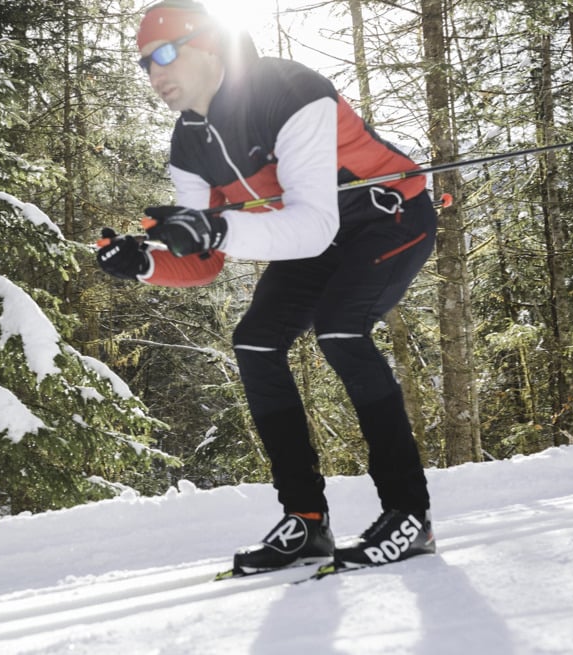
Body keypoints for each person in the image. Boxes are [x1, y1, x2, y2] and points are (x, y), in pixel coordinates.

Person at [97, 0, 436, 575]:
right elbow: (204, 260)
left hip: (387, 217)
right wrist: (147, 262)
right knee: (255, 341)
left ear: (208, 44)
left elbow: (312, 225)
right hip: (313, 238)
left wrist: (217, 224)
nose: (155, 74)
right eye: (144, 65)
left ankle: (409, 515)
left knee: (340, 330)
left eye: (165, 55)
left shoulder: (288, 91)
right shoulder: (187, 147)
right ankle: (306, 523)